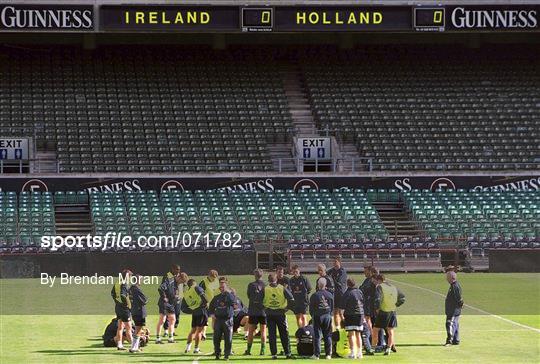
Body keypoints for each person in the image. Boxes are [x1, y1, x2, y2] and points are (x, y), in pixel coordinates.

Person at [263, 272, 294, 360]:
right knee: (284, 333)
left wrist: (264, 308)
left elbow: (257, 300)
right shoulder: (282, 288)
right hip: (280, 313)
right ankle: (287, 353)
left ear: (268, 280)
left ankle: (274, 354)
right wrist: (287, 308)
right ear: (276, 280)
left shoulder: (265, 289)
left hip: (269, 314)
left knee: (272, 335)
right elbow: (291, 298)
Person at [372, 274, 405, 356]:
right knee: (390, 330)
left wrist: (377, 309)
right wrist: (396, 305)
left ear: (378, 280)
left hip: (383, 311)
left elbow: (377, 299)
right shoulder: (393, 287)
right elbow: (402, 298)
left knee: (375, 330)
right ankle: (389, 349)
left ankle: (373, 348)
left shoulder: (379, 287)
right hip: (392, 311)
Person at [341, 277, 370, 358]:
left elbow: (342, 308)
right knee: (358, 334)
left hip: (350, 315)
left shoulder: (347, 293)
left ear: (348, 284)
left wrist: (342, 317)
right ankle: (360, 353)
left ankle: (353, 352)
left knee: (351, 334)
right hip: (360, 314)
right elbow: (363, 302)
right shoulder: (359, 292)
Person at [209, 277, 236, 360]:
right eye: (220, 287)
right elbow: (211, 307)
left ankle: (226, 355)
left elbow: (235, 306)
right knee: (216, 338)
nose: (221, 288)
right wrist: (212, 314)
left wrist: (231, 313)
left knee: (228, 339)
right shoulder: (216, 297)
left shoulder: (230, 296)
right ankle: (217, 354)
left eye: (223, 287)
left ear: (226, 287)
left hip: (227, 320)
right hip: (218, 320)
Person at [181, 278, 209, 354]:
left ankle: (187, 348)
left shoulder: (186, 293)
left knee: (193, 330)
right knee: (199, 331)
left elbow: (183, 309)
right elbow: (205, 298)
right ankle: (196, 349)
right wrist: (205, 303)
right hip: (202, 311)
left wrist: (192, 310)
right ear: (194, 283)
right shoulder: (196, 288)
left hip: (195, 313)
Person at [309, 277, 334, 360]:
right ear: (325, 285)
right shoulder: (330, 295)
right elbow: (332, 306)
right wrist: (329, 314)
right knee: (327, 335)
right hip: (327, 316)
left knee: (317, 335)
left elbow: (311, 308)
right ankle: (328, 354)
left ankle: (317, 354)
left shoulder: (314, 295)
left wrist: (312, 315)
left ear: (318, 285)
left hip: (317, 316)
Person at [244, 268, 267, 356]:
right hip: (263, 311)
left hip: (253, 311)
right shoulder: (265, 285)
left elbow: (249, 296)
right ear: (262, 275)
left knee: (250, 331)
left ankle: (249, 350)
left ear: (255, 275)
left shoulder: (251, 285)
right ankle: (262, 350)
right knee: (263, 331)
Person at [111, 269, 133, 351]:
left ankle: (119, 345)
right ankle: (133, 345)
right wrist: (128, 305)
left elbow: (112, 293)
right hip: (124, 309)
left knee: (120, 327)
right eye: (130, 276)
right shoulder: (124, 284)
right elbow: (123, 295)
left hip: (118, 307)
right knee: (128, 327)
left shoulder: (117, 283)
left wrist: (117, 302)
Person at [156, 267, 178, 343]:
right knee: (162, 320)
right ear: (172, 269)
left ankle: (170, 338)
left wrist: (175, 295)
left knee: (172, 319)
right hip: (164, 303)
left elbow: (172, 289)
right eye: (177, 269)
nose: (178, 271)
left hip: (170, 303)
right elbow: (160, 288)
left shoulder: (173, 277)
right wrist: (164, 297)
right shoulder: (168, 276)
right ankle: (158, 338)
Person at [129, 275, 148, 353]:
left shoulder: (130, 289)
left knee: (137, 329)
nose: (141, 281)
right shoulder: (136, 289)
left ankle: (134, 347)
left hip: (134, 311)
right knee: (138, 330)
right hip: (139, 311)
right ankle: (134, 348)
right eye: (140, 279)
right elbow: (145, 300)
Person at [289, 264, 312, 329]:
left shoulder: (304, 278)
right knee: (298, 317)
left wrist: (303, 295)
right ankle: (300, 330)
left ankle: (306, 331)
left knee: (304, 317)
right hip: (295, 302)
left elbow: (309, 289)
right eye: (293, 272)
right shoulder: (291, 280)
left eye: (296, 271)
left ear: (299, 271)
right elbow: (290, 291)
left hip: (303, 301)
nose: (295, 273)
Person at [327, 257, 347, 329]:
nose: (334, 263)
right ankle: (338, 329)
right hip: (333, 294)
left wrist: (331, 279)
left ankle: (345, 327)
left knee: (341, 312)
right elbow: (326, 277)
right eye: (333, 262)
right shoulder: (330, 271)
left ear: (339, 262)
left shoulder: (342, 271)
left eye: (336, 262)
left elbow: (339, 282)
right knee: (335, 312)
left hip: (341, 294)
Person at [444, 270, 463, 346]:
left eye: (447, 277)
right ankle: (456, 340)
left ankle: (449, 341)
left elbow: (458, 297)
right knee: (455, 324)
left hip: (453, 310)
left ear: (452, 278)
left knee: (449, 323)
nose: (446, 279)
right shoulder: (454, 285)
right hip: (453, 309)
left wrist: (461, 304)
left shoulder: (455, 286)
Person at [200, 269, 220, 340]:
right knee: (205, 320)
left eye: (215, 278)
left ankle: (215, 333)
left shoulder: (217, 281)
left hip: (215, 304)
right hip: (206, 304)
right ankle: (203, 334)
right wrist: (204, 302)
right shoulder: (203, 282)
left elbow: (219, 291)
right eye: (213, 278)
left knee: (215, 318)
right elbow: (200, 293)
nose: (214, 279)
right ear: (209, 276)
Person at [360, 265, 376, 343]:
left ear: (370, 271)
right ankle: (372, 337)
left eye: (365, 271)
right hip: (369, 303)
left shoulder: (371, 281)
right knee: (369, 320)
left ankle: (371, 337)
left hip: (369, 303)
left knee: (368, 319)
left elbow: (364, 290)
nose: (364, 273)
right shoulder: (368, 280)